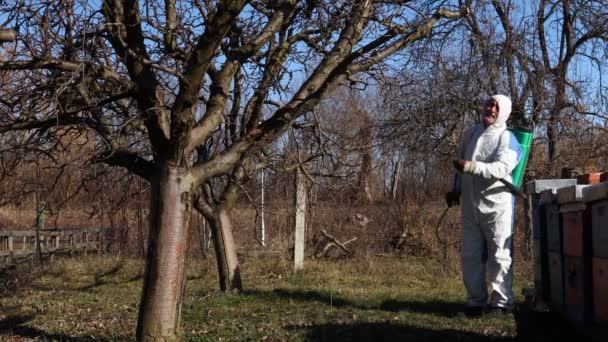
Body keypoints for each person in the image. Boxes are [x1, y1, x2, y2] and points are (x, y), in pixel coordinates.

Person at [446, 94, 522, 318]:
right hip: (470, 206)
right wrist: (455, 190)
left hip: (498, 206)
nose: (491, 109)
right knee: (470, 256)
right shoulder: (471, 133)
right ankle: (475, 303)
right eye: (489, 104)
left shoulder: (508, 139)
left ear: (504, 112)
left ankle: (501, 304)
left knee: (499, 256)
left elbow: (500, 169)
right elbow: (460, 165)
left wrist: (470, 166)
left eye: (496, 107)